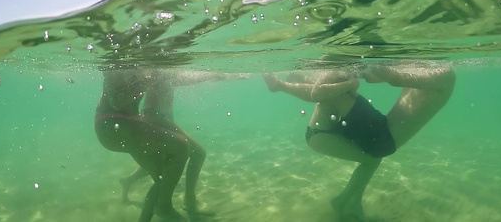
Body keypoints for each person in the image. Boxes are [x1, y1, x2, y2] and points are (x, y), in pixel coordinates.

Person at [263, 64, 455, 221]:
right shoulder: (429, 69)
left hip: (383, 134)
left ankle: (282, 85)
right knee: (337, 88)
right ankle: (347, 201)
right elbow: (386, 76)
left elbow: (392, 77)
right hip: (382, 132)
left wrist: (362, 68)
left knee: (336, 88)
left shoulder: (443, 74)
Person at [118, 69, 231, 218]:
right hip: (155, 115)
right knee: (198, 153)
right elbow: (179, 79)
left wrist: (213, 75)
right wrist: (214, 74)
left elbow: (175, 80)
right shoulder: (157, 63)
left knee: (162, 165)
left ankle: (128, 181)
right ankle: (190, 201)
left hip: (159, 114)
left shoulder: (163, 63)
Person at [95, 69, 189, 222]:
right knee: (181, 146)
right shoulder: (117, 63)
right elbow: (117, 101)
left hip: (125, 124)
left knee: (163, 177)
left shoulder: (137, 64)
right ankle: (164, 207)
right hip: (112, 125)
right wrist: (145, 81)